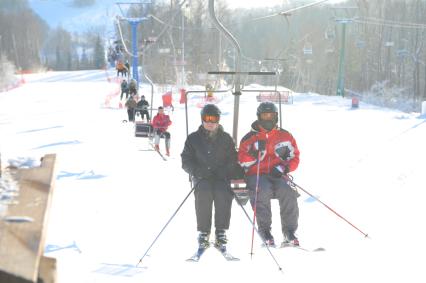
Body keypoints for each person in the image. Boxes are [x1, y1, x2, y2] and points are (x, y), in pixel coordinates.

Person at [181, 104, 243, 251]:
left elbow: (233, 160)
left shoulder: (226, 138)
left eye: (213, 119)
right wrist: (198, 171)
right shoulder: (193, 139)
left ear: (218, 120)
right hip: (202, 177)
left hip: (221, 178)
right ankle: (204, 231)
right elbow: (186, 161)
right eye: (207, 119)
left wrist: (225, 171)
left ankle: (220, 230)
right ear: (202, 119)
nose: (210, 122)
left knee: (223, 193)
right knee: (203, 193)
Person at [238, 101, 300, 247]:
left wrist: (284, 168)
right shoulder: (249, 138)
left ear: (276, 116)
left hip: (278, 174)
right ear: (259, 117)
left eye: (271, 115)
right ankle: (265, 231)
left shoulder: (285, 136)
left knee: (288, 190)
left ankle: (289, 232)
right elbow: (241, 160)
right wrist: (254, 154)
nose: (268, 119)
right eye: (265, 115)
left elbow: (295, 157)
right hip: (257, 175)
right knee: (262, 190)